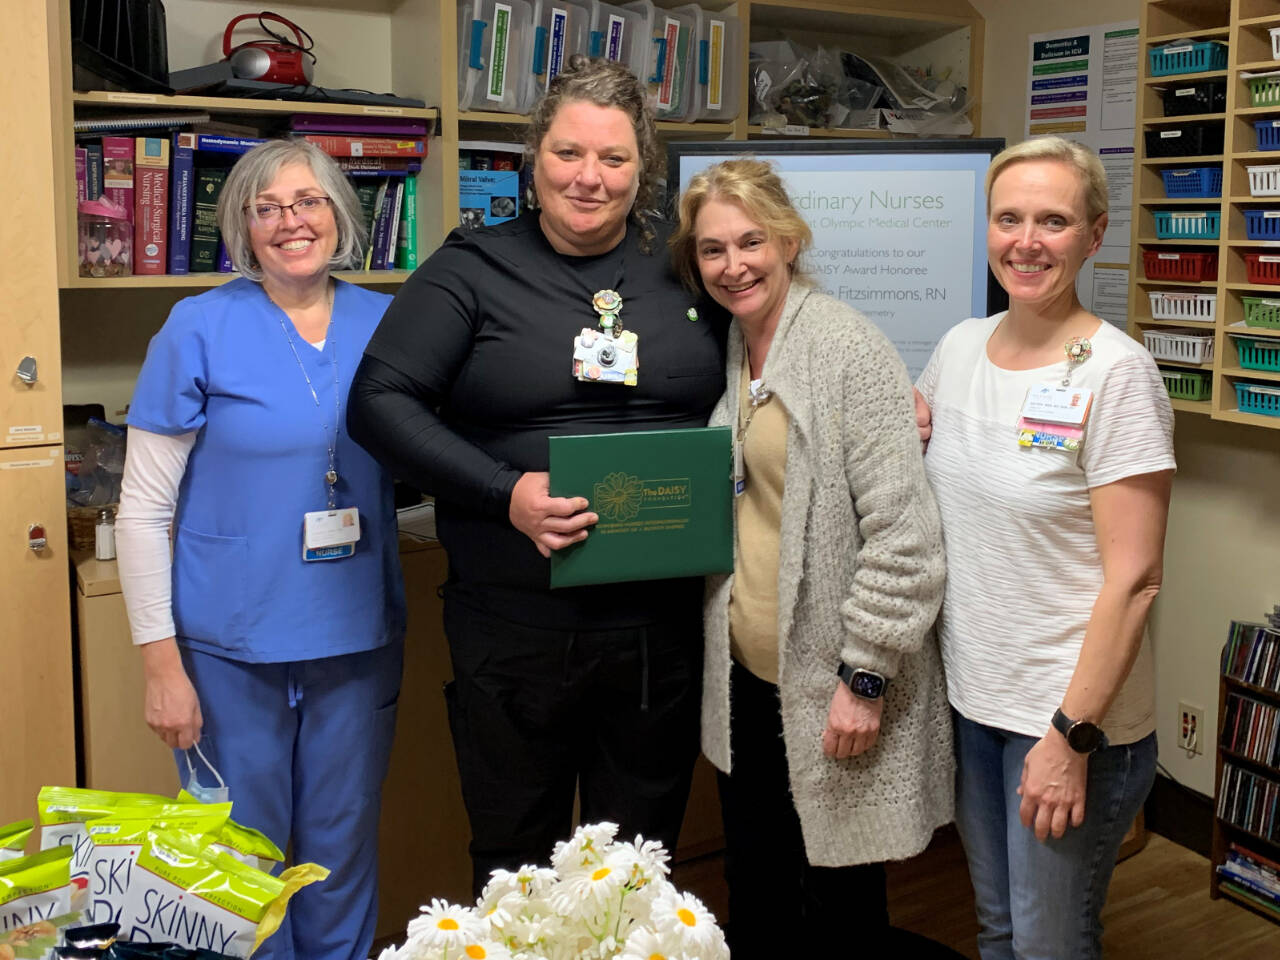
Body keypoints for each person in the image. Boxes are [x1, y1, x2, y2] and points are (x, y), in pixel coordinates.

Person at [346, 56, 728, 895]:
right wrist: (502, 492)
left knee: (640, 862)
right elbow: (379, 403)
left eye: (615, 159)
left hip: (655, 628)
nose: (589, 178)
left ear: (645, 171)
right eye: (568, 153)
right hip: (514, 628)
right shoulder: (470, 270)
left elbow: (774, 363)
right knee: (516, 858)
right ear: (533, 157)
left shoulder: (686, 270)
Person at [114, 138, 405, 960]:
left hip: (355, 639)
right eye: (267, 207)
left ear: (339, 214)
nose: (290, 222)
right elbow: (141, 512)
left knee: (340, 858)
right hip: (228, 651)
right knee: (242, 869)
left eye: (308, 201)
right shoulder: (196, 328)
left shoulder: (386, 323)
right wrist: (160, 665)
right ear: (243, 226)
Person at [670, 158, 951, 953]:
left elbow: (906, 537)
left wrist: (865, 677)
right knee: (757, 884)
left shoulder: (845, 349)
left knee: (840, 903)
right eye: (713, 250)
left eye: (751, 241)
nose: (734, 265)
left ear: (790, 239)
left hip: (834, 682)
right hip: (750, 681)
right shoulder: (737, 340)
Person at [914, 136, 1175, 959]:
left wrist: (1070, 737)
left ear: (1094, 235)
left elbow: (1134, 580)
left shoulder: (1116, 373)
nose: (1027, 241)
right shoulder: (958, 348)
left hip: (1064, 721)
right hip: (976, 701)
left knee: (1050, 946)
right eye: (1009, 218)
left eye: (1053, 221)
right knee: (999, 932)